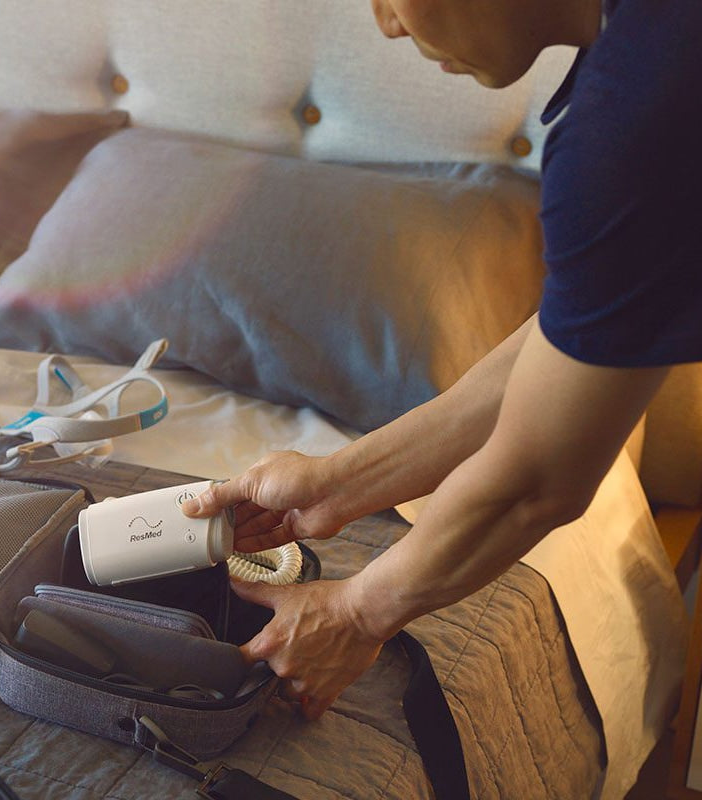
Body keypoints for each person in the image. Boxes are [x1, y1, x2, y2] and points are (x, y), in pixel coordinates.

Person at [183, 0, 702, 721]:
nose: (387, 25)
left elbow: (538, 480)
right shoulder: (646, 57)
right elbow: (560, 346)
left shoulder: (638, 118)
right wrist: (333, 486)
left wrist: (356, 613)